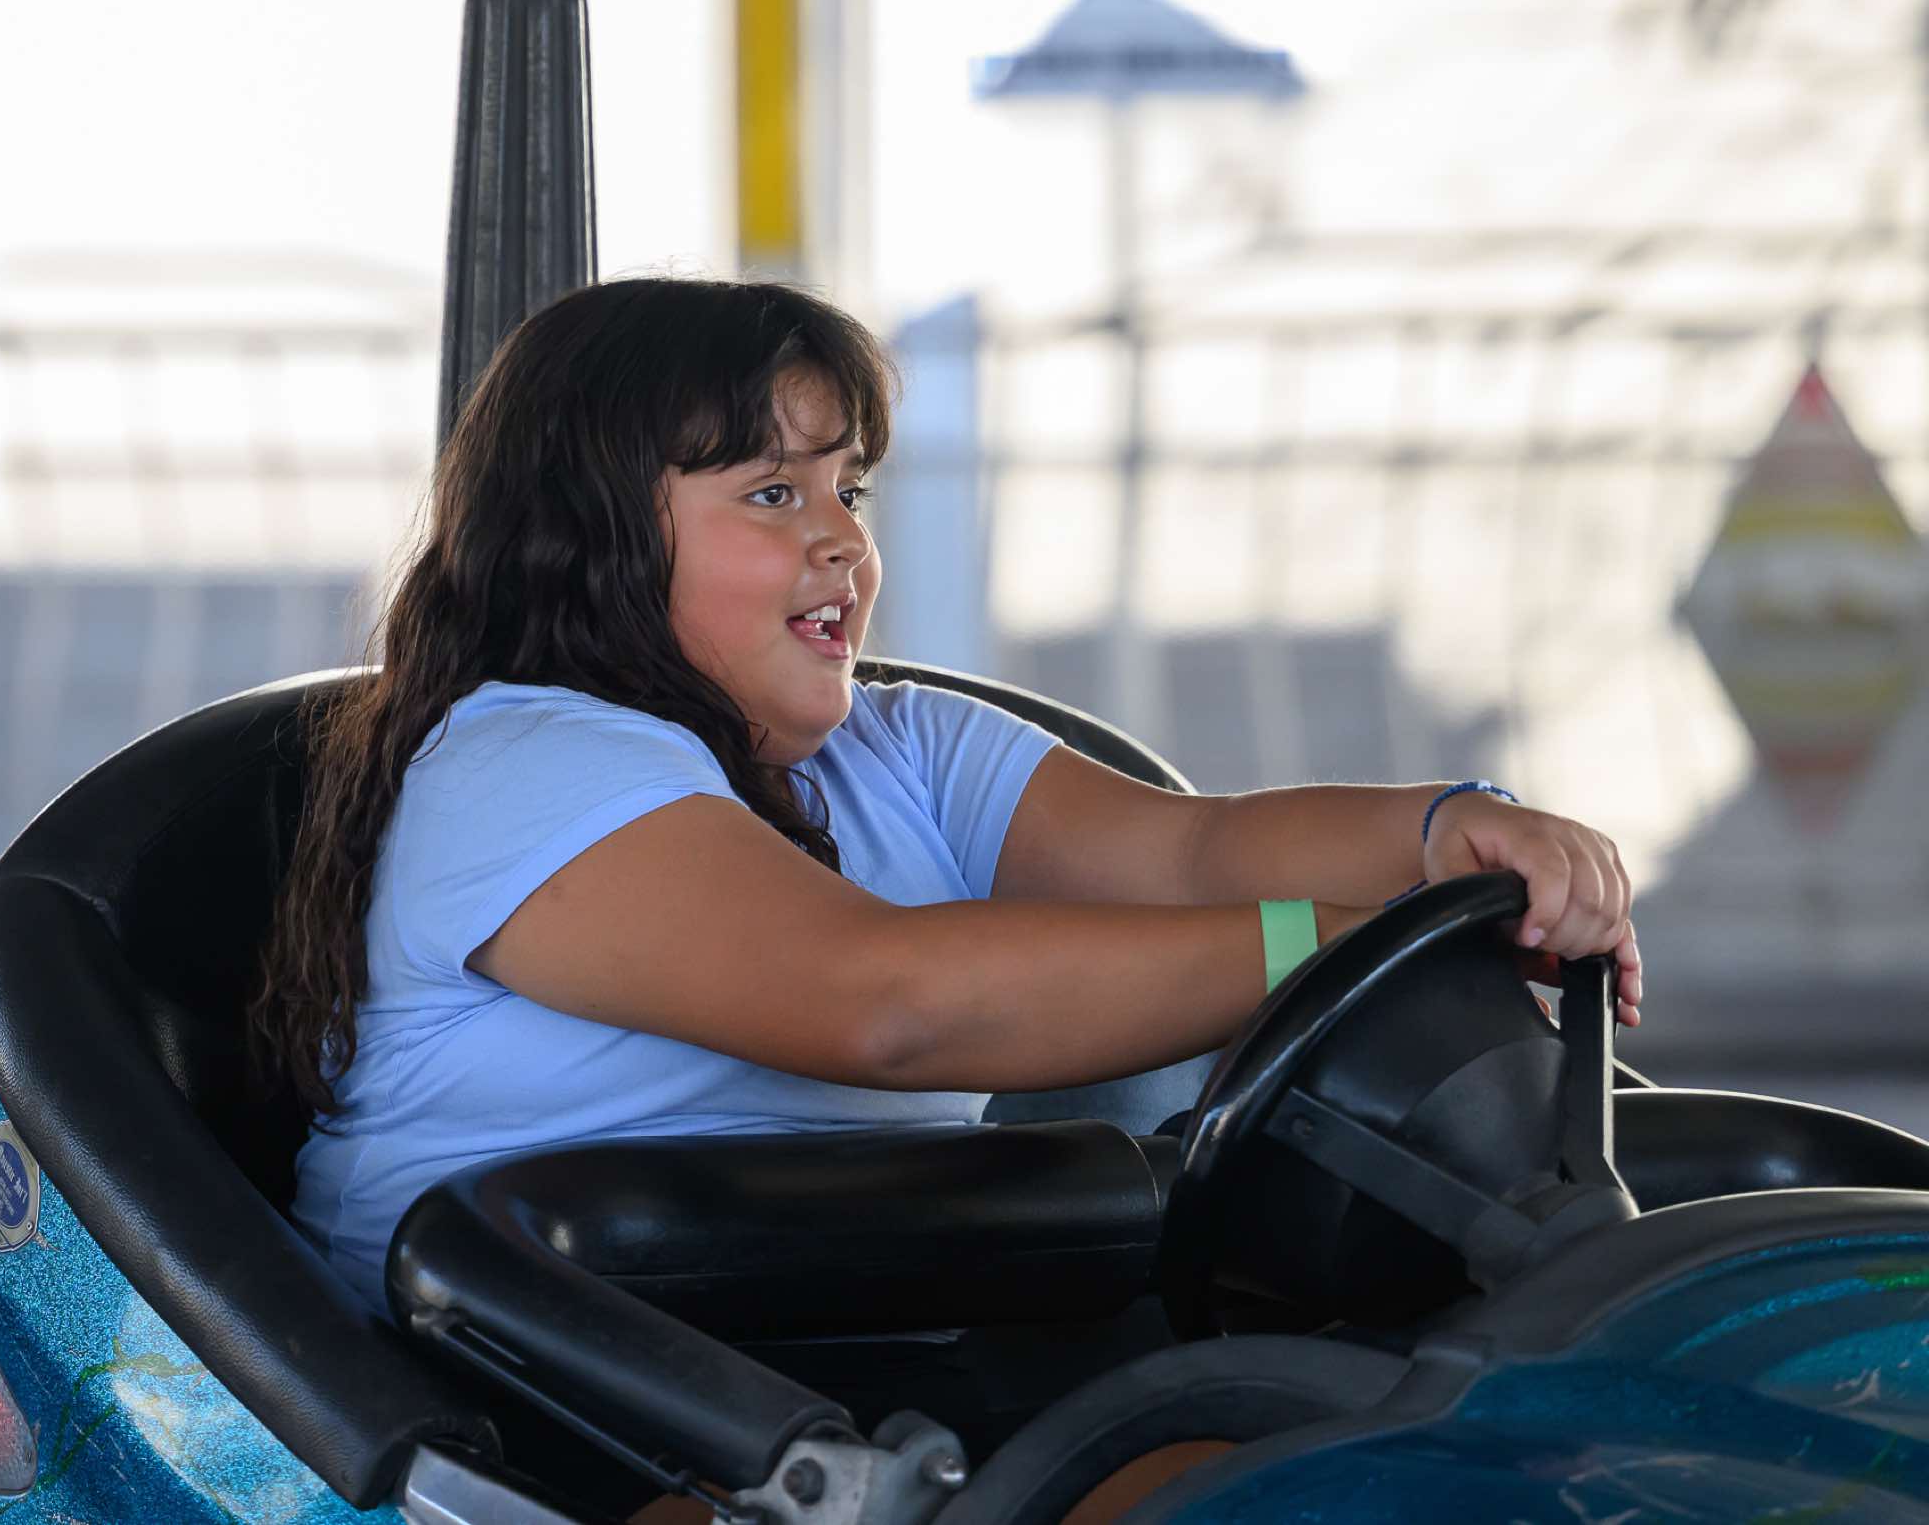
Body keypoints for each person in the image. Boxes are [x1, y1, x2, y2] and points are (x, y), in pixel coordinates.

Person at [249, 275, 1644, 1517]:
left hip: (866, 1387)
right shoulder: (525, 759)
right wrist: (1320, 949)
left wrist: (1452, 838)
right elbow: (885, 1000)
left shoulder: (899, 751)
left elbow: (1193, 857)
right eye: (772, 494)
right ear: (592, 537)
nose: (841, 542)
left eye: (847, 491)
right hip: (526, 1416)